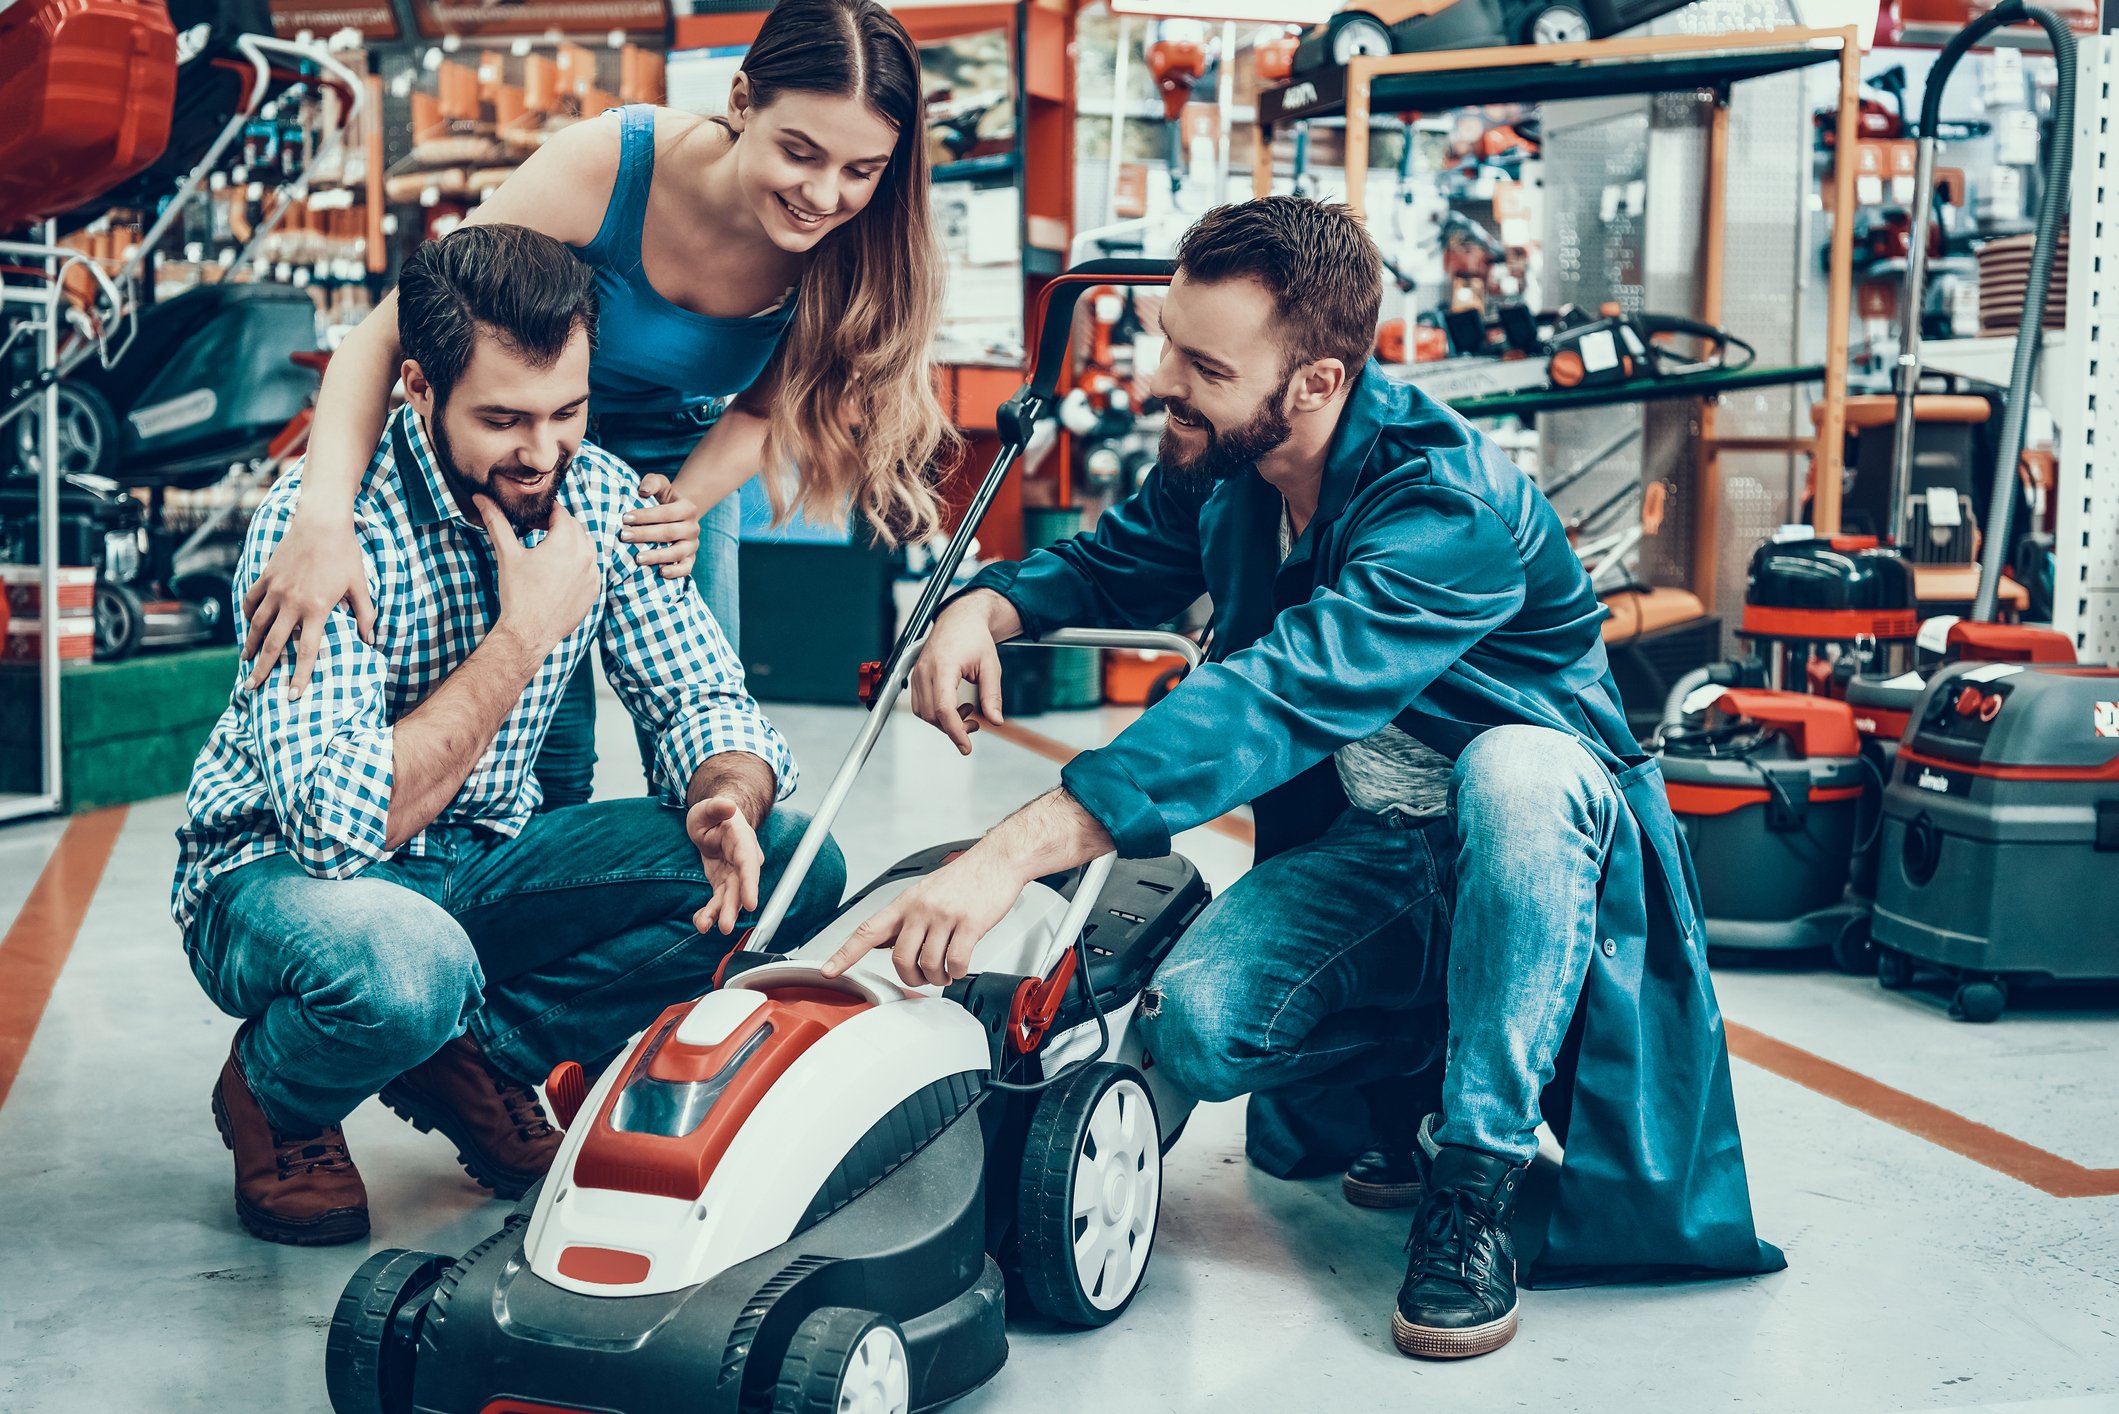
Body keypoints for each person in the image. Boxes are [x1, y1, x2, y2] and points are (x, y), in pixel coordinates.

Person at [822, 197, 1782, 1358]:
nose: (1161, 383)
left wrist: (1007, 853)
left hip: (1543, 857)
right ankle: (1417, 1074)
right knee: (1195, 1027)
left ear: (1318, 381)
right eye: (1168, 344)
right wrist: (989, 602)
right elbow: (1116, 560)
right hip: (1378, 852)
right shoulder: (1232, 463)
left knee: (1517, 770)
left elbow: (1279, 692)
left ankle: (1473, 1184)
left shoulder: (1448, 506)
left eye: (1205, 367)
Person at [173, 224, 846, 1246]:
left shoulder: (598, 494)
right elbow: (340, 831)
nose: (540, 452)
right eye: (502, 419)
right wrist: (524, 633)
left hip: (477, 863)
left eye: (566, 411)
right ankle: (278, 1096)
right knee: (409, 968)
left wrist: (724, 793)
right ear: (418, 387)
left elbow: (701, 696)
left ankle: (476, 1053)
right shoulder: (322, 533)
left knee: (791, 864)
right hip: (275, 878)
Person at [237, 0, 953, 808]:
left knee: (702, 711)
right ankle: (533, 855)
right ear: (742, 100)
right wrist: (321, 519)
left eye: (862, 170)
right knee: (542, 724)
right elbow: (385, 336)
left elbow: (758, 411)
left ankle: (690, 867)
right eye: (799, 152)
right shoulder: (609, 163)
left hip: (683, 454)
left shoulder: (863, 249)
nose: (823, 194)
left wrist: (679, 508)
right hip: (528, 441)